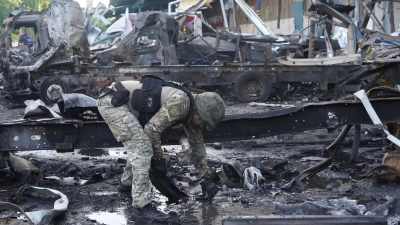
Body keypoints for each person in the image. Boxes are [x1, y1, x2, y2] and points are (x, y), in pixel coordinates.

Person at [96, 76, 225, 223]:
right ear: (198, 111)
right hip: (113, 102)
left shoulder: (192, 113)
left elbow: (198, 145)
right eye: (202, 121)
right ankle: (142, 208)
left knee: (140, 145)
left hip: (121, 101)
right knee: (142, 147)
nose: (201, 125)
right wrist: (159, 159)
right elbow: (151, 131)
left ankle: (126, 185)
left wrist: (205, 178)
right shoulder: (181, 103)